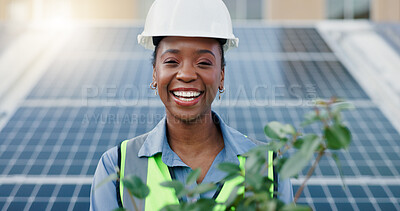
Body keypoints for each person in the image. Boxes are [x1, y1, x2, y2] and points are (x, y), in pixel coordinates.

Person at [90, 0, 293, 210]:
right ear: (154, 73)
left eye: (203, 63)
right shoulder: (116, 167)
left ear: (221, 76)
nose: (186, 74)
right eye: (171, 61)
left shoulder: (269, 166)